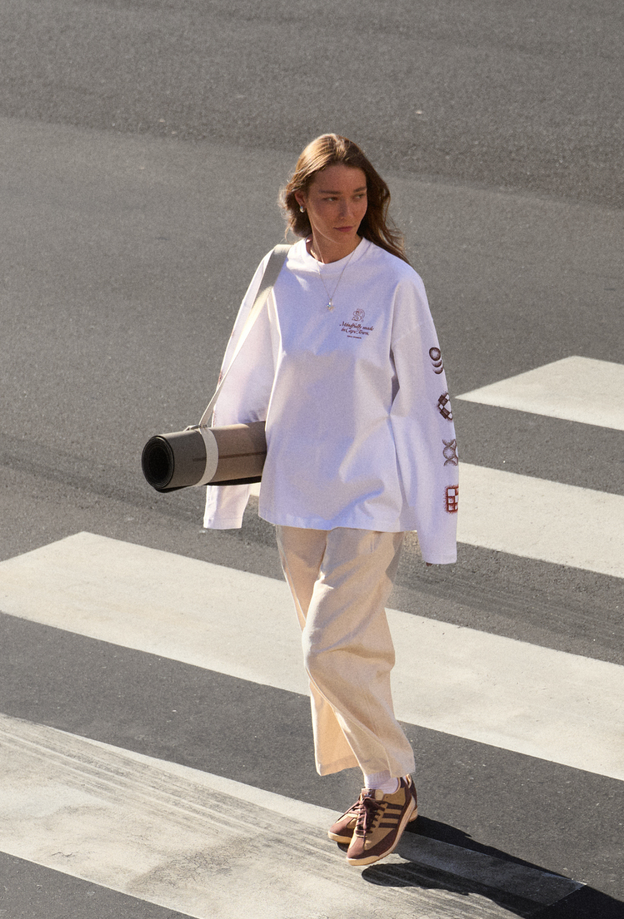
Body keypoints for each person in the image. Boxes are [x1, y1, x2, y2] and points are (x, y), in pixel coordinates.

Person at [203, 133, 458, 868]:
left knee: (324, 648)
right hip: (296, 495)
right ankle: (379, 778)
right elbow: (243, 378)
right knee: (354, 649)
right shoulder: (279, 271)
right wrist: (227, 495)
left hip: (370, 495)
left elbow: (425, 405)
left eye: (357, 197)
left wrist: (435, 521)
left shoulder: (395, 284)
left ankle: (389, 780)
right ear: (300, 204)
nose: (345, 211)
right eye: (329, 198)